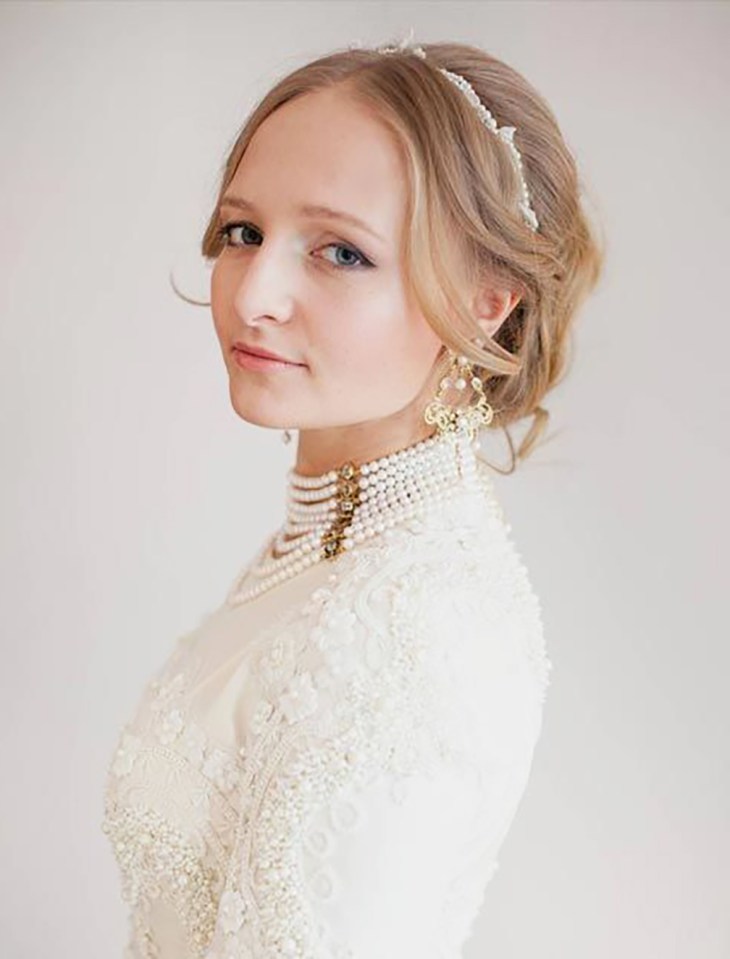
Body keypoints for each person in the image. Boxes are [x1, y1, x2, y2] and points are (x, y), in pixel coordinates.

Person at [101, 34, 604, 959]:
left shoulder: (416, 624)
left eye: (340, 251)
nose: (255, 293)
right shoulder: (336, 549)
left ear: (486, 298)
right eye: (243, 232)